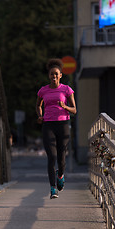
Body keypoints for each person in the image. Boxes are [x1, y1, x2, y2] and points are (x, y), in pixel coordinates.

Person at [35, 58, 77, 199]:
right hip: (48, 125)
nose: (54, 76)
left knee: (61, 158)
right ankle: (53, 188)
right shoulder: (43, 90)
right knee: (51, 157)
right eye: (51, 74)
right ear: (49, 76)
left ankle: (60, 175)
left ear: (60, 75)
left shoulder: (66, 90)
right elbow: (38, 105)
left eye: (56, 74)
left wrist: (65, 107)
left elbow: (74, 110)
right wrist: (40, 116)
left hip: (63, 125)